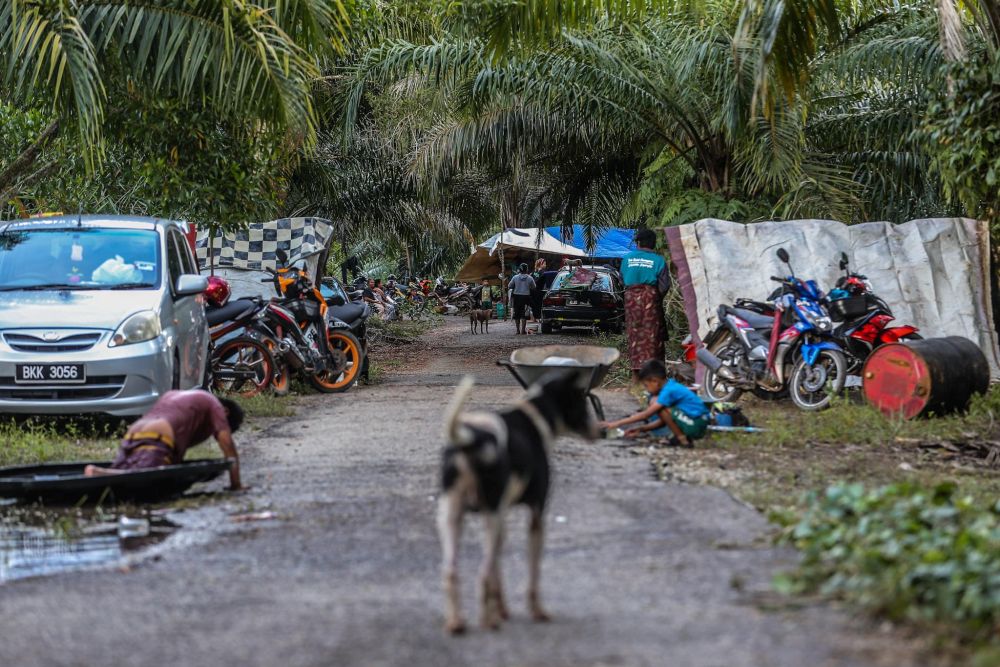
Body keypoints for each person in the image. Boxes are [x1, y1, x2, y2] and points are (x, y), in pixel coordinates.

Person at [84, 390, 244, 489]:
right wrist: (235, 484)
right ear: (226, 412)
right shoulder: (214, 405)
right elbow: (227, 444)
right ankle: (98, 472)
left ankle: (101, 476)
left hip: (134, 433)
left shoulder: (179, 397)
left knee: (124, 470)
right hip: (158, 435)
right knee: (141, 476)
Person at [600, 360, 709, 447]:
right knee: (661, 408)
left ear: (655, 381)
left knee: (659, 407)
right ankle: (681, 437)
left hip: (697, 424)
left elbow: (646, 415)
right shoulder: (670, 386)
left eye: (646, 385)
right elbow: (664, 421)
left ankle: (683, 441)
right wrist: (641, 429)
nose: (647, 389)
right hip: (695, 422)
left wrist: (615, 423)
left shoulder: (668, 391)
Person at [621, 228, 671, 384]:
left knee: (634, 335)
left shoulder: (626, 259)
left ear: (638, 243)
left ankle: (636, 377)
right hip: (651, 302)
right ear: (653, 244)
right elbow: (664, 286)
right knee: (652, 337)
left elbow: (622, 281)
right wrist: (654, 299)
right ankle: (654, 376)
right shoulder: (659, 261)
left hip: (631, 303)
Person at [509, 263, 536, 335]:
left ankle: (517, 330)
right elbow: (534, 287)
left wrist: (516, 286)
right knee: (524, 314)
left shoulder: (515, 277)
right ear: (527, 269)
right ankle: (522, 331)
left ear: (520, 269)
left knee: (517, 314)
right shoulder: (530, 278)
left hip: (517, 297)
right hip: (526, 297)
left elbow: (509, 286)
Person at [530, 258, 547, 323]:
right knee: (538, 305)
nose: (546, 265)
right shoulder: (542, 272)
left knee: (535, 305)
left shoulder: (534, 272)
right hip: (539, 291)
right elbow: (537, 282)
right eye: (544, 264)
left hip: (533, 291)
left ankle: (535, 318)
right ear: (540, 264)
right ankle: (538, 318)